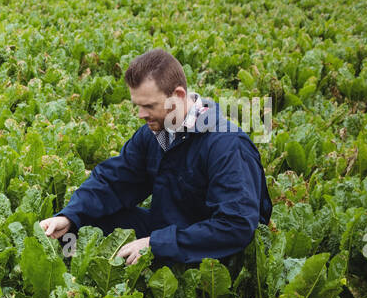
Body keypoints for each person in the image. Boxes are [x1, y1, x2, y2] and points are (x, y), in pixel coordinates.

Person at [38, 48, 272, 267]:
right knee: (86, 222)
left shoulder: (227, 145)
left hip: (207, 252)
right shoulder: (155, 132)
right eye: (138, 106)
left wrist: (155, 244)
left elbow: (236, 226)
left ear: (178, 95)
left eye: (148, 106)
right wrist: (70, 216)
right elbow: (114, 181)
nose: (141, 115)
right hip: (165, 231)